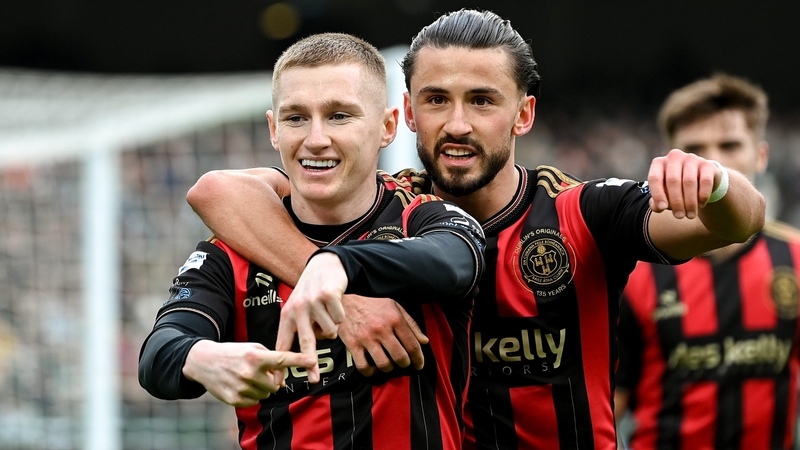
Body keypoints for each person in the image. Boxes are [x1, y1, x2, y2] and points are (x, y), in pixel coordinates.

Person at [186, 10, 766, 449]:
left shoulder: (582, 213)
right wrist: (346, 294)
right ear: (408, 113)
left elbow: (737, 221)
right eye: (437, 100)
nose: (457, 124)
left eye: (482, 101)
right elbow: (218, 191)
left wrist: (715, 182)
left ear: (523, 114)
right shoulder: (384, 207)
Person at [138, 32, 486, 450]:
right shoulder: (230, 254)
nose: (315, 138)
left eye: (339, 116)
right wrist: (204, 359)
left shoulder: (422, 217)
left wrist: (336, 265)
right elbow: (159, 353)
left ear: (387, 127)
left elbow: (456, 262)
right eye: (296, 118)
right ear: (273, 129)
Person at [615, 74, 799, 449]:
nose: (712, 161)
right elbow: (605, 406)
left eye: (730, 145)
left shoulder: (795, 259)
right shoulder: (632, 274)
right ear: (669, 162)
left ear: (761, 156)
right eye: (694, 147)